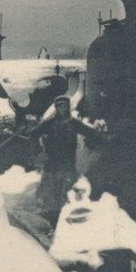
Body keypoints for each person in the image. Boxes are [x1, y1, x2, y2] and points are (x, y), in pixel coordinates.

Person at [30, 96, 102, 227]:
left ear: (68, 107)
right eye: (59, 106)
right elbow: (33, 134)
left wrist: (101, 135)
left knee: (67, 195)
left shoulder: (74, 123)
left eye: (64, 106)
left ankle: (65, 223)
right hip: (51, 165)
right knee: (49, 196)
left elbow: (90, 133)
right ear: (56, 108)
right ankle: (49, 222)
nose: (62, 108)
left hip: (68, 165)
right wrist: (39, 152)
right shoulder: (49, 123)